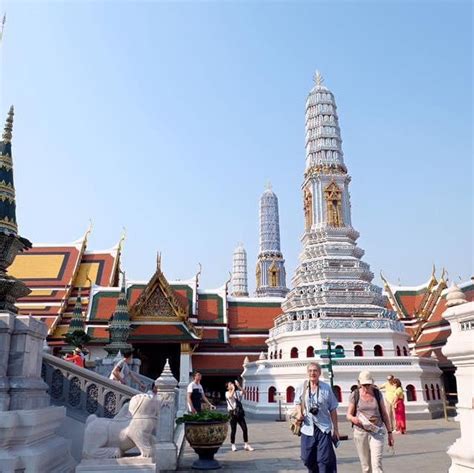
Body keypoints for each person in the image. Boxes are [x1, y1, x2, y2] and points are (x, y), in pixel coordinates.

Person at [295, 362, 339, 473]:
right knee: (307, 458)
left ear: (319, 373)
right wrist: (299, 412)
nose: (312, 373)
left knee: (323, 460)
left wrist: (336, 429)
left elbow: (333, 409)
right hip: (307, 428)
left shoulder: (326, 388)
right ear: (307, 373)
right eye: (310, 371)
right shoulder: (302, 387)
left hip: (323, 428)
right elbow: (297, 402)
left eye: (315, 371)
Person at [347, 371, 394, 473]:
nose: (366, 387)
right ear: (359, 383)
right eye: (364, 385)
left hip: (376, 431)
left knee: (377, 464)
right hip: (361, 432)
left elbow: (385, 414)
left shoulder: (377, 394)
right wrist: (353, 419)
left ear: (372, 382)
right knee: (366, 467)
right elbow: (348, 415)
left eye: (368, 384)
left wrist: (390, 433)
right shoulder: (355, 395)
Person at [226, 380, 254, 452]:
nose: (231, 385)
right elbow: (230, 396)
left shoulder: (237, 393)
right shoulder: (227, 393)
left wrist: (238, 386)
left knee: (245, 428)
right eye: (230, 384)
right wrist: (233, 389)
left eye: (232, 383)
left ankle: (246, 444)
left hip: (239, 413)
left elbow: (245, 392)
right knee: (233, 430)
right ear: (227, 387)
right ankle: (233, 444)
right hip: (232, 414)